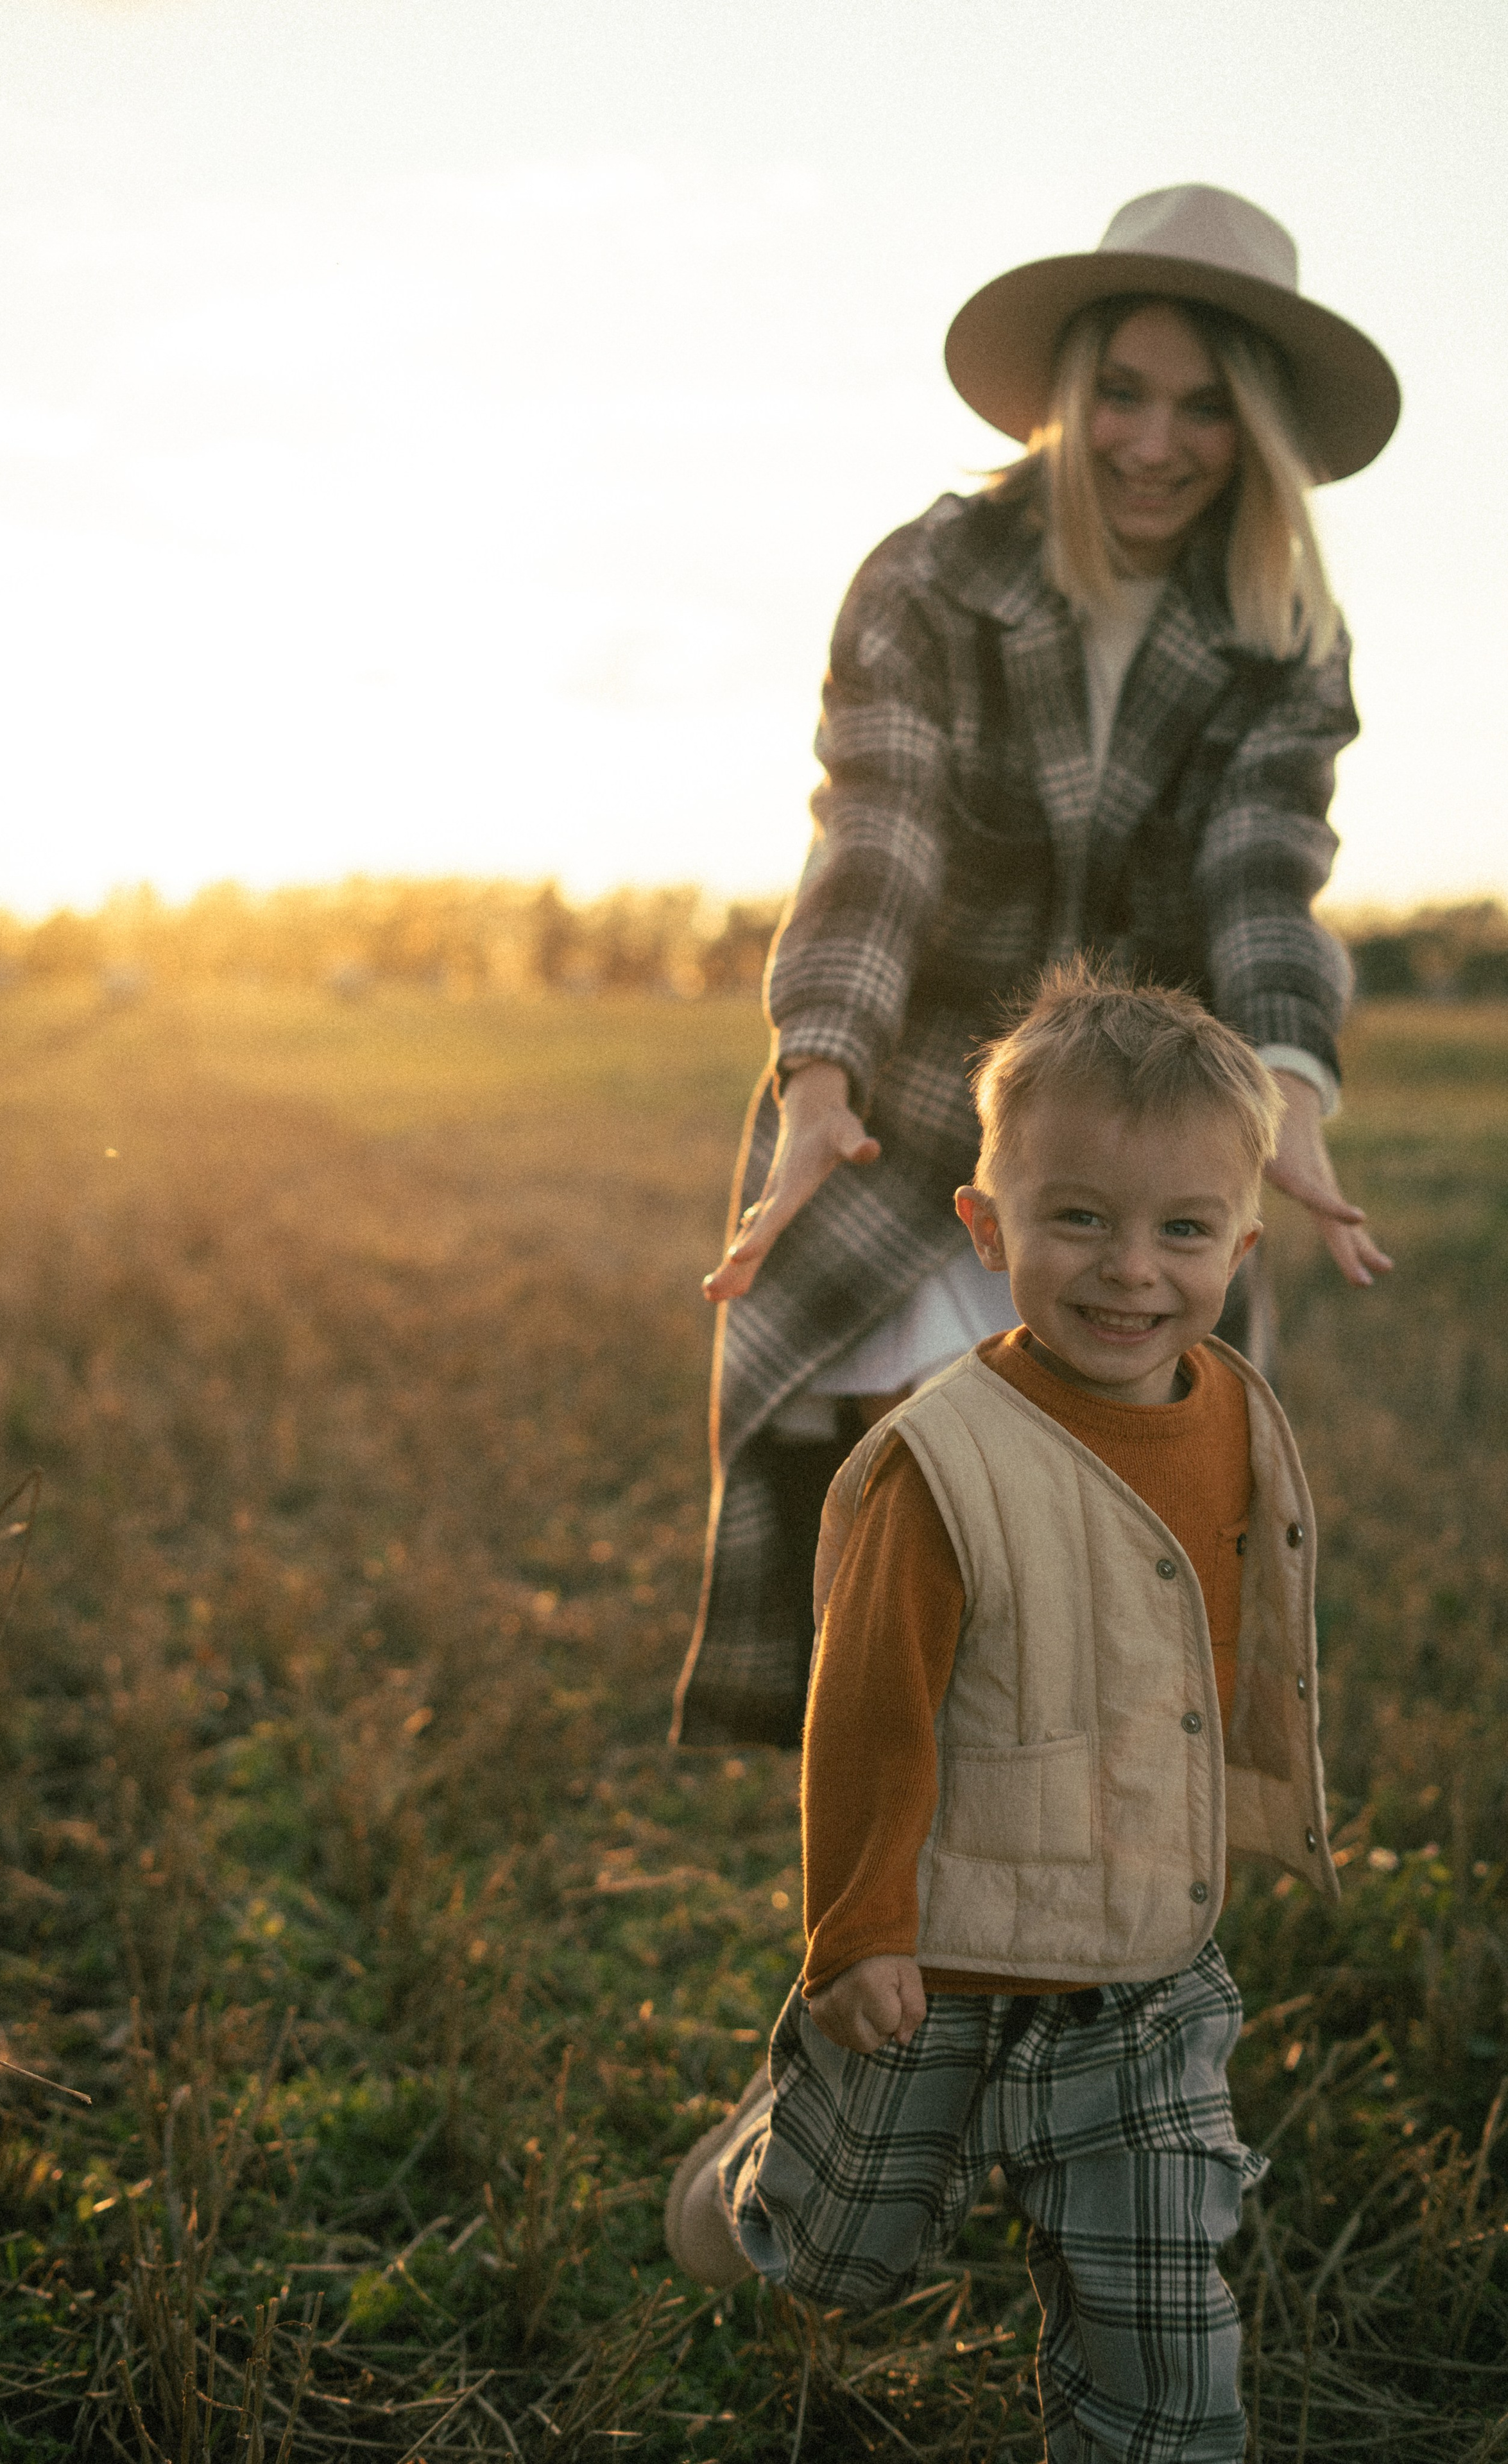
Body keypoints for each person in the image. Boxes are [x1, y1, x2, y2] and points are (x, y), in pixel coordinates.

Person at [671, 184, 1397, 1754]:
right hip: (912, 1105)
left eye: (1202, 406)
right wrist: (818, 1077)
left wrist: (1284, 1096)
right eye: (1120, 393)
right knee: (907, 1524)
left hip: (1130, 1140)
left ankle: (1066, 1918)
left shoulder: (1283, 630)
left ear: (1255, 428)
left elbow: (1260, 872)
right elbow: (877, 834)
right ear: (1065, 400)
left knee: (1105, 1538)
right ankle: (886, 1914)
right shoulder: (931, 578)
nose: (1152, 442)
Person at [664, 964, 1338, 2463]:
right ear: (984, 1230)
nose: (1128, 1272)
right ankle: (746, 2187)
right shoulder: (939, 1463)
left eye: (1180, 1230)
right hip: (940, 1953)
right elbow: (870, 1711)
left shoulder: (1229, 1408)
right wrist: (857, 1930)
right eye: (1076, 1218)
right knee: (839, 2253)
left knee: (1161, 2304)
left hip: (1143, 1966)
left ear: (1242, 1239)